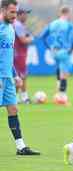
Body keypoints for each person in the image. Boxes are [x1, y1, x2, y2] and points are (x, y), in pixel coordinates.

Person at [0, 0, 40, 155]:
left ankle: (21, 147)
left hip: (8, 77)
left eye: (16, 12)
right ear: (3, 10)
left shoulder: (10, 28)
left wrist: (15, 75)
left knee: (13, 109)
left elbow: (7, 57)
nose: (15, 15)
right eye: (12, 12)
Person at [40, 5, 73, 105]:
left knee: (59, 70)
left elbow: (42, 36)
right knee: (64, 74)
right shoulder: (69, 25)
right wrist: (71, 50)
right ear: (68, 13)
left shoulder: (53, 23)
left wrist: (49, 47)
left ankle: (58, 93)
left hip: (54, 51)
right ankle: (62, 97)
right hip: (64, 51)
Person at [13, 5, 33, 104]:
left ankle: (19, 97)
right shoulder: (18, 25)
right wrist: (30, 39)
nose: (27, 16)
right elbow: (23, 40)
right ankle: (22, 98)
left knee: (20, 76)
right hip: (18, 54)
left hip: (18, 54)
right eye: (25, 14)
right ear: (20, 14)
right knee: (21, 76)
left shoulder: (18, 25)